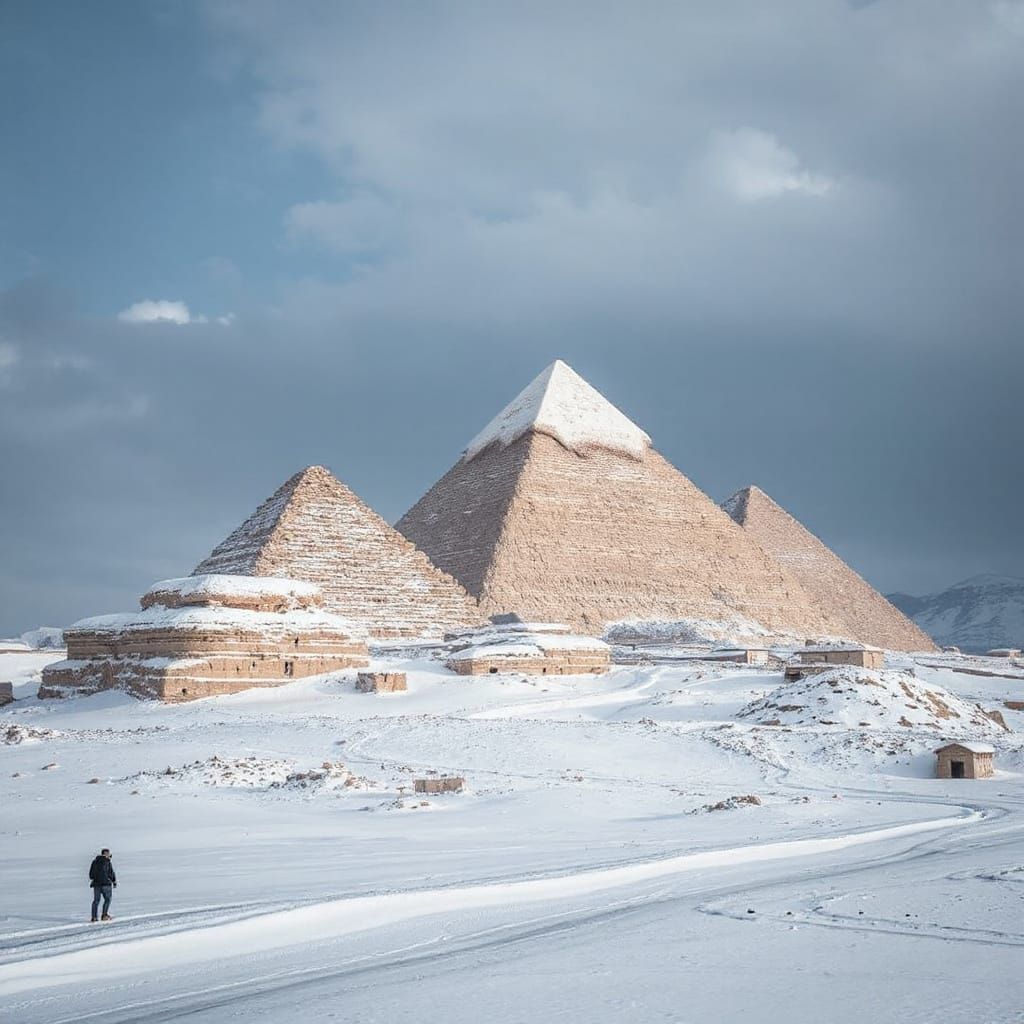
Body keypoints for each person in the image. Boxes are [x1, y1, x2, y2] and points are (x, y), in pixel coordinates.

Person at [89, 848, 117, 922]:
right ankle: (104, 915)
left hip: (96, 884)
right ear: (105, 854)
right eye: (108, 854)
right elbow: (111, 873)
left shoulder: (95, 862)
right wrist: (114, 881)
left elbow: (91, 875)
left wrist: (96, 879)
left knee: (96, 901)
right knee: (108, 899)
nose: (109, 855)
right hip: (106, 884)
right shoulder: (107, 862)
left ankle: (94, 917)